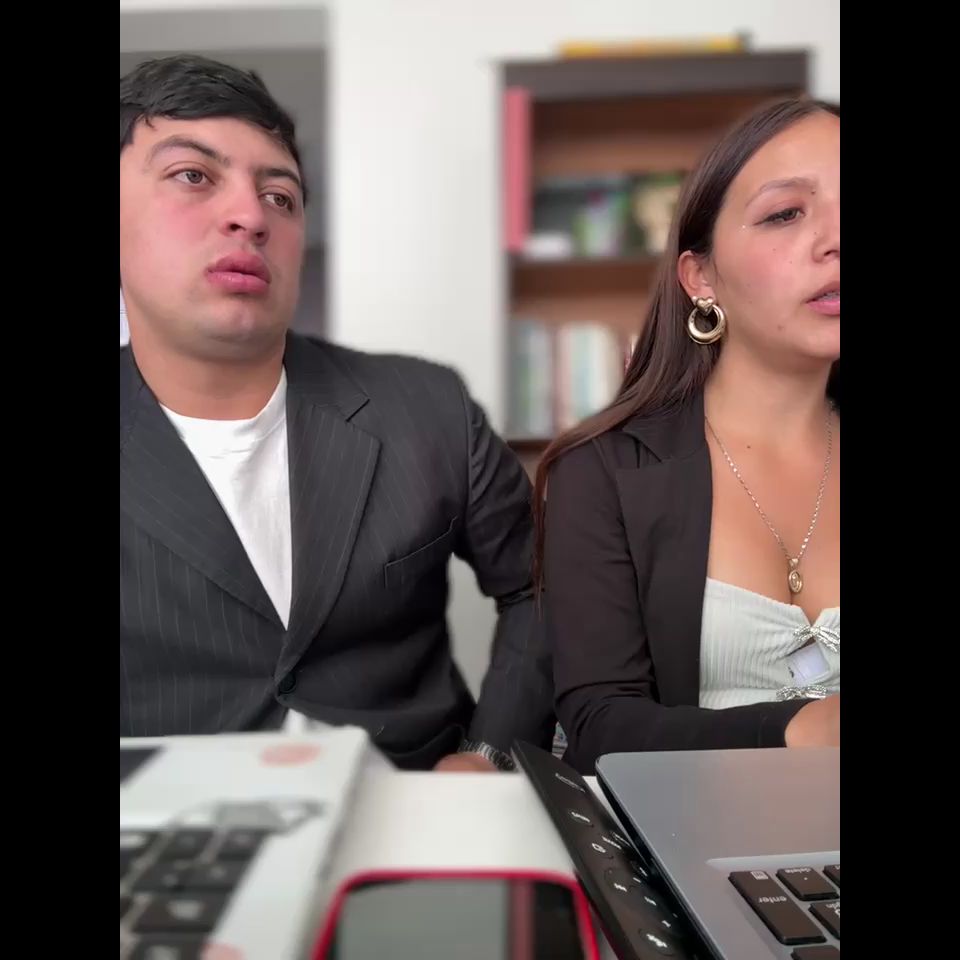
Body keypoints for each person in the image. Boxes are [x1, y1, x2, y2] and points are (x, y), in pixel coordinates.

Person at [119, 55, 554, 771]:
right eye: (193, 176)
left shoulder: (426, 407)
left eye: (281, 196)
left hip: (407, 801)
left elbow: (542, 588)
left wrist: (487, 752)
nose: (250, 216)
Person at [535, 98, 840, 774]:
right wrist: (804, 730)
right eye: (786, 213)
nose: (834, 239)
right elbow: (601, 727)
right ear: (701, 277)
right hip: (690, 831)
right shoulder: (602, 472)